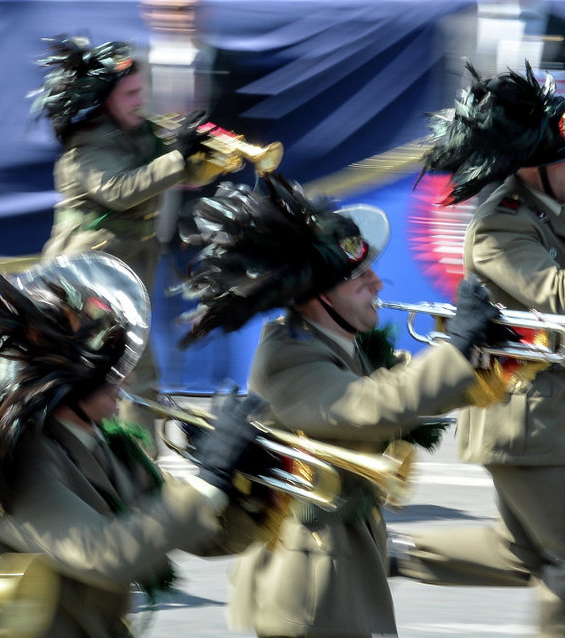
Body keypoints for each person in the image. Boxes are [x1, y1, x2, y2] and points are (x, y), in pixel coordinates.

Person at [386, 63, 565, 638]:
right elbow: (563, 297)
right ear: (531, 167)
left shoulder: (560, 211)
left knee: (523, 553)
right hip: (517, 412)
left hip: (542, 407)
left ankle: (391, 555)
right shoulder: (501, 229)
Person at [171, 172, 506, 638]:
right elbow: (373, 404)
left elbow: (406, 383)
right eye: (357, 277)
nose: (377, 282)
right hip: (305, 585)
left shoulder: (344, 341)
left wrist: (490, 355)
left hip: (342, 565)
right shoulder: (287, 358)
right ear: (318, 297)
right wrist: (457, 347)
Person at [0, 251, 268, 638]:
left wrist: (243, 484)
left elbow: (205, 537)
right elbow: (106, 553)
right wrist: (208, 480)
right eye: (107, 373)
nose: (123, 381)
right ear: (61, 383)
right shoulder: (25, 460)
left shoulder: (105, 443)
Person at [30, 35, 216, 458]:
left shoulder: (142, 131)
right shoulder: (87, 144)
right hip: (86, 276)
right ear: (105, 98)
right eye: (131, 93)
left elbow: (180, 173)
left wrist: (196, 151)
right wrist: (176, 158)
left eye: (143, 90)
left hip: (130, 268)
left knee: (138, 371)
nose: (141, 99)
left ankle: (140, 469)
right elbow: (122, 190)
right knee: (91, 373)